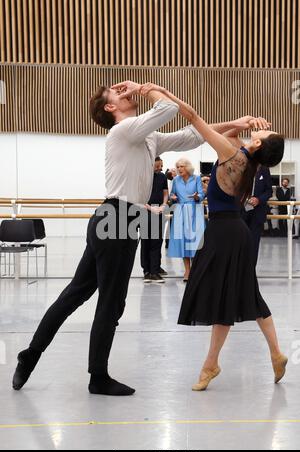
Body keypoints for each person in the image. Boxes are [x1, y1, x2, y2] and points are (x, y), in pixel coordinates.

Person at [12, 80, 243, 395]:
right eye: (117, 93)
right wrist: (147, 88)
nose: (126, 93)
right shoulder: (123, 131)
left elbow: (190, 135)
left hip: (121, 218)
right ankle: (97, 377)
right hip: (117, 217)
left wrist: (235, 123)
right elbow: (169, 108)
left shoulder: (144, 135)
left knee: (76, 294)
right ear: (110, 107)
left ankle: (31, 354)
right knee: (110, 302)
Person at [140, 83, 287, 391]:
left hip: (223, 233)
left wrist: (162, 91)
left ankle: (212, 365)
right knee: (245, 295)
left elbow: (193, 117)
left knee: (224, 297)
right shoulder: (246, 158)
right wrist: (243, 121)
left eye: (261, 135)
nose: (256, 132)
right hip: (235, 233)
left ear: (259, 145)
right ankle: (271, 353)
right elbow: (233, 134)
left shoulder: (233, 155)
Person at [167, 158, 205, 281]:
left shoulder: (196, 178)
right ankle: (187, 271)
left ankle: (196, 269)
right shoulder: (176, 180)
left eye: (181, 166)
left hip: (194, 210)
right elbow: (172, 195)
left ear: (187, 167)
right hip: (180, 212)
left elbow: (201, 194)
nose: (179, 169)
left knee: (194, 240)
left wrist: (196, 197)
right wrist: (172, 197)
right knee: (183, 242)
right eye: (177, 167)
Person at [141, 157, 169, 283]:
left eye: (161, 165)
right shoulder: (143, 177)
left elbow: (165, 193)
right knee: (146, 242)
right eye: (157, 166)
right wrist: (151, 209)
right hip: (145, 211)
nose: (160, 168)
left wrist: (163, 205)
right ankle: (147, 271)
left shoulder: (162, 177)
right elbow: (139, 197)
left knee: (157, 242)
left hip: (158, 211)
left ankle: (155, 270)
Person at [241, 165, 273, 265]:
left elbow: (269, 191)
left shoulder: (264, 169)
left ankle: (251, 272)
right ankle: (239, 271)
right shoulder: (243, 167)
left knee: (254, 244)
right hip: (241, 212)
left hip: (258, 213)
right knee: (241, 243)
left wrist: (258, 199)